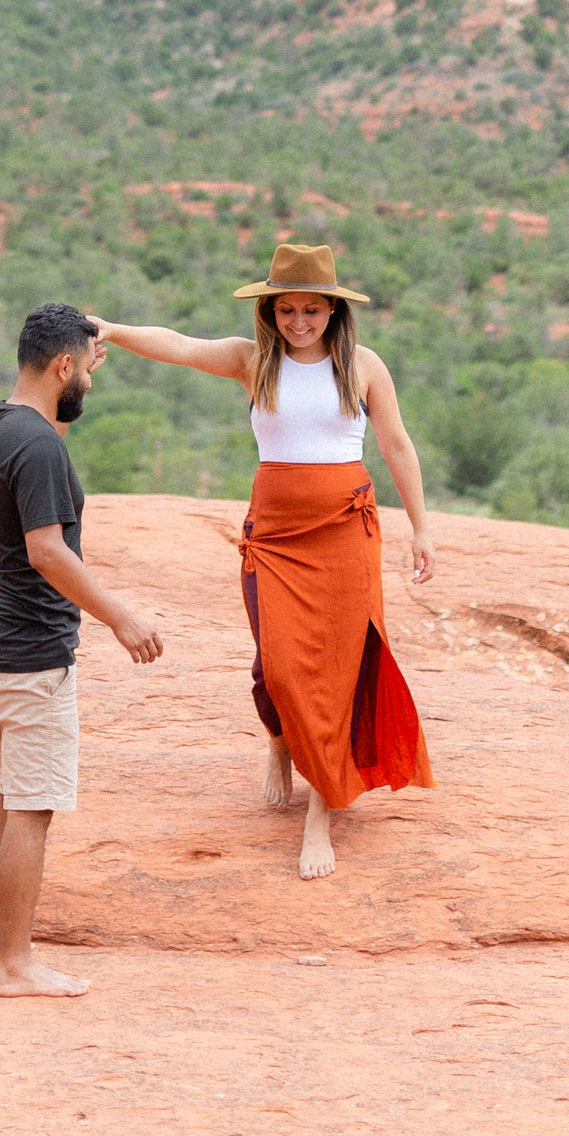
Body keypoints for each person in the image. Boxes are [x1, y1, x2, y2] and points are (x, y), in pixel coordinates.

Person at [90, 240, 434, 881]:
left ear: (333, 311)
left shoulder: (363, 366)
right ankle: (279, 743)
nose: (299, 322)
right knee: (276, 667)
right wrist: (111, 330)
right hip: (275, 539)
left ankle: (320, 812)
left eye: (312, 310)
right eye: (286, 311)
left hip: (343, 534)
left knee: (333, 672)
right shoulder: (253, 363)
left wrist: (422, 529)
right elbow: (181, 345)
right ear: (269, 312)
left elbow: (396, 444)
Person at [0, 302, 163, 996]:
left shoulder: (5, 425)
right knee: (34, 804)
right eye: (85, 374)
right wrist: (119, 617)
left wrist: (75, 382)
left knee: (12, 787)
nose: (91, 385)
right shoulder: (39, 447)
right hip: (31, 651)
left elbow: (47, 449)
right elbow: (47, 550)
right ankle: (16, 965)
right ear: (63, 366)